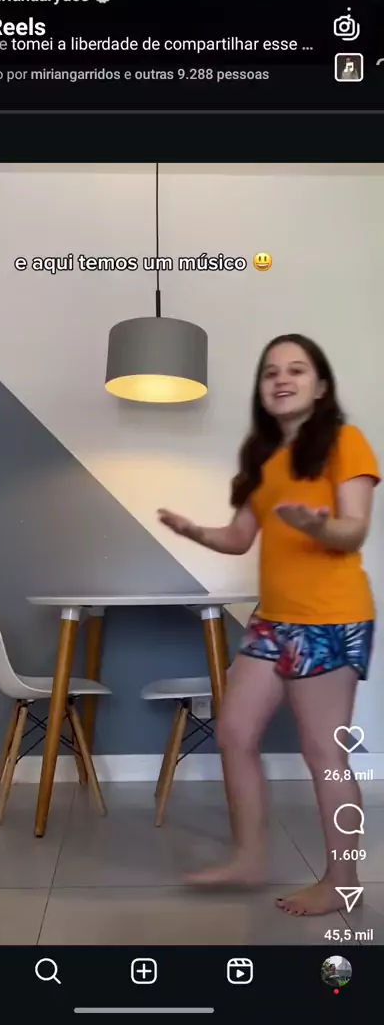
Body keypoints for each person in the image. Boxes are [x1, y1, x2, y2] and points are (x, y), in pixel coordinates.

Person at [158, 333, 379, 916]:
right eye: (271, 372)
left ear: (321, 386)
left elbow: (354, 528)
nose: (282, 379)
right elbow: (239, 538)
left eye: (297, 370)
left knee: (323, 753)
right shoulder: (262, 459)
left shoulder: (345, 442)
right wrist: (194, 531)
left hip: (330, 617)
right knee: (234, 732)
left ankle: (342, 881)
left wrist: (318, 526)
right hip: (273, 619)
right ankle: (248, 858)